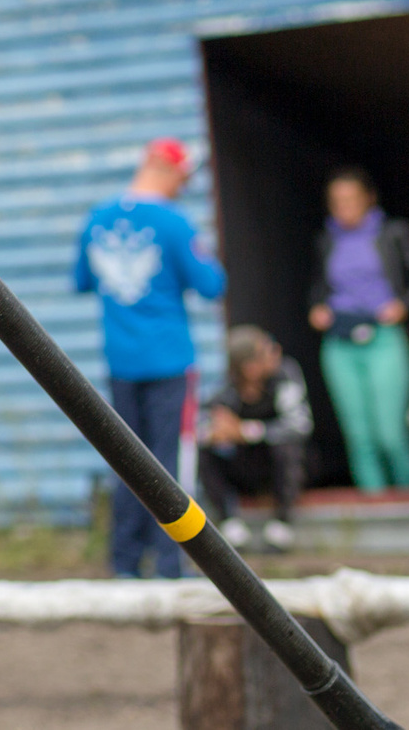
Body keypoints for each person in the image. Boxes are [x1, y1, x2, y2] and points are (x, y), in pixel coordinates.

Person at [72, 137, 227, 578]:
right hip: (170, 361)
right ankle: (169, 563)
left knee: (125, 461)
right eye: (184, 178)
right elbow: (212, 284)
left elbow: (82, 280)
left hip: (120, 361)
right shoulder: (174, 223)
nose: (185, 187)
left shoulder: (96, 219)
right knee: (170, 463)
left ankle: (124, 563)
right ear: (168, 170)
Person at [306, 165, 409, 491]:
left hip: (382, 336)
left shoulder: (392, 233)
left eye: (351, 199)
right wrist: (317, 308)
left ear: (369, 199)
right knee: (359, 435)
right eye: (337, 202)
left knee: (390, 432)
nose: (344, 208)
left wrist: (402, 305)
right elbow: (319, 286)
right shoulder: (328, 239)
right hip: (340, 340)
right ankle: (371, 501)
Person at [199, 325, 313, 552]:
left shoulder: (284, 375)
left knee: (287, 447)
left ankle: (281, 524)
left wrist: (248, 431)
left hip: (280, 468)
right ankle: (230, 523)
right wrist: (215, 432)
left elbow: (301, 425)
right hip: (247, 469)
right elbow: (201, 423)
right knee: (205, 453)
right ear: (249, 367)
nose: (275, 353)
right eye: (266, 351)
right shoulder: (228, 390)